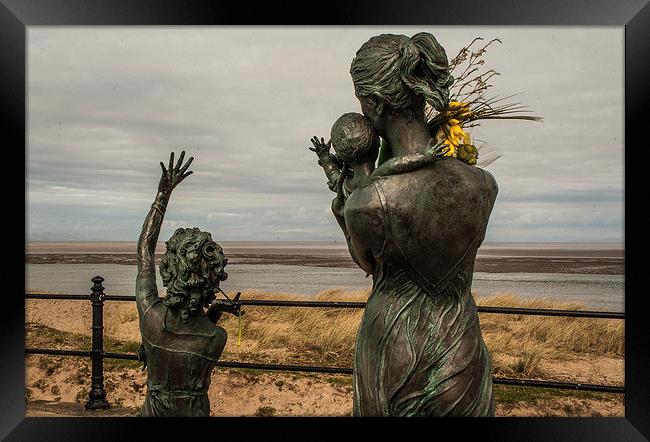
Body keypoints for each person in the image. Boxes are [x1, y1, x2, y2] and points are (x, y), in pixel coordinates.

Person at [336, 32, 498, 416]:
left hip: (393, 354)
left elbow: (367, 265)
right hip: (462, 346)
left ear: (374, 103)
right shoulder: (483, 185)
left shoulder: (367, 205)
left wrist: (356, 182)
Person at [135, 151, 240, 416]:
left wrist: (162, 196)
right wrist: (214, 312)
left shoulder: (151, 317)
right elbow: (195, 340)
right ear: (213, 281)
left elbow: (144, 251)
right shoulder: (217, 338)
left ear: (169, 270)